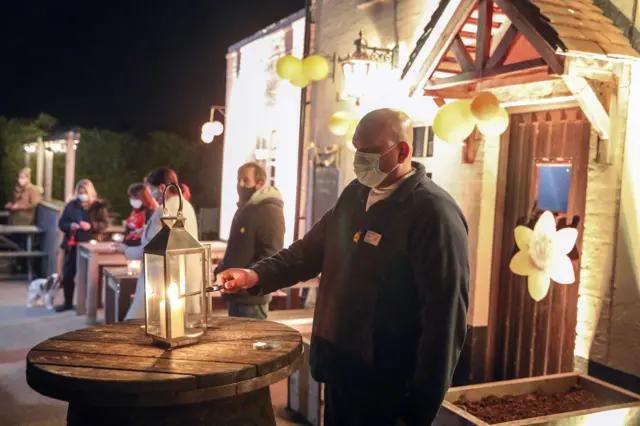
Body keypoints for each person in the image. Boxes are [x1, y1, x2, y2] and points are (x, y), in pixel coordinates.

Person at [217, 109, 469, 426]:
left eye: (370, 152)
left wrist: (419, 409)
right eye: (357, 150)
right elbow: (307, 251)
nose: (360, 160)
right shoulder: (355, 195)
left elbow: (445, 316)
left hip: (389, 388)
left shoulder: (432, 213)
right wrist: (254, 275)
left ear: (402, 151)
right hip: (341, 370)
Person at [123, 168, 199, 320]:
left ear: (162, 188)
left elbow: (153, 246)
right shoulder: (186, 206)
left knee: (136, 323)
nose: (151, 194)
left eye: (151, 189)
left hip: (163, 281)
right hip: (184, 279)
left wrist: (126, 251)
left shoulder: (165, 209)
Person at [215, 162, 285, 320]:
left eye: (246, 181)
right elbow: (237, 249)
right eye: (239, 180)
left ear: (259, 184)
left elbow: (272, 253)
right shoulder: (246, 208)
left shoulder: (269, 210)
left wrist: (250, 279)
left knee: (248, 343)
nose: (240, 185)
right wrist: (222, 268)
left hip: (251, 299)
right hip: (236, 293)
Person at [57, 179, 110, 312]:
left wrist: (91, 226)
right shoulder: (71, 206)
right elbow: (61, 223)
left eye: (85, 192)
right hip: (73, 244)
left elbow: (104, 225)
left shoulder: (98, 207)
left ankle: (93, 304)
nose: (82, 194)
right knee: (69, 273)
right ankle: (68, 302)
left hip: (90, 244)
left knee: (91, 275)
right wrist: (70, 226)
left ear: (90, 192)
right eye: (80, 192)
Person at [5, 168, 41, 274]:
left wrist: (19, 206)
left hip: (26, 222)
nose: (21, 180)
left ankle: (23, 268)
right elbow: (14, 201)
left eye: (23, 177)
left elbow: (34, 203)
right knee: (14, 244)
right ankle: (16, 266)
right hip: (14, 222)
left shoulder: (32, 190)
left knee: (23, 245)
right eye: (19, 177)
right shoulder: (16, 189)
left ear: (28, 178)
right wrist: (10, 205)